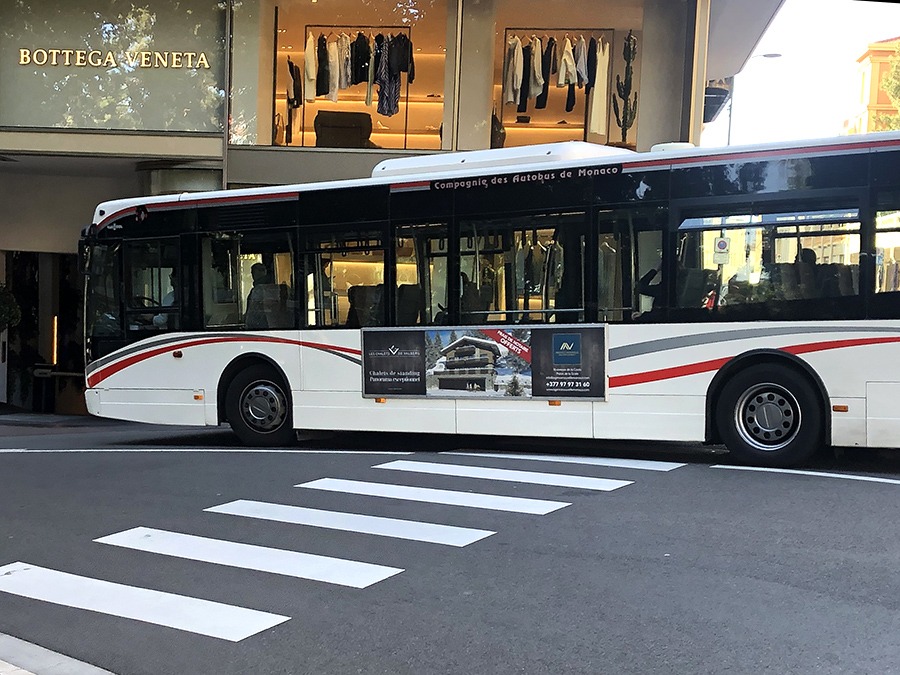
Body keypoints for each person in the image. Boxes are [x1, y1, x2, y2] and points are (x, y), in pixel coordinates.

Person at [245, 262, 272, 330]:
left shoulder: (259, 290)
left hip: (259, 326)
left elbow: (254, 311)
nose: (252, 275)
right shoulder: (260, 288)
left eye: (253, 272)